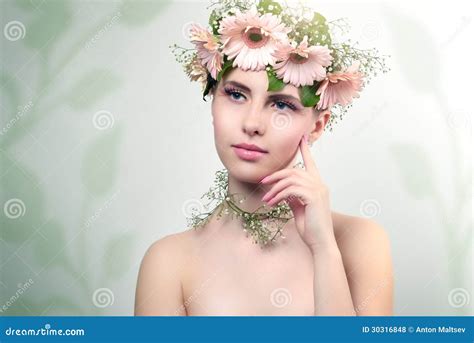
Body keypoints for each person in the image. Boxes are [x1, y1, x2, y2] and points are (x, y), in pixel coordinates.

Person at [135, 0, 393, 316]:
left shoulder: (360, 244)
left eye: (282, 105)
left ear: (317, 126)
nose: (252, 124)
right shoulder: (168, 261)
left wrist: (324, 250)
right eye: (236, 95)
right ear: (212, 101)